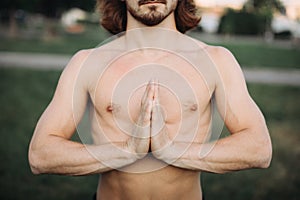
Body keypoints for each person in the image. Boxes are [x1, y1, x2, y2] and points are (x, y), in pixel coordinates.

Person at [28, 0, 272, 199]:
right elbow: (41, 154)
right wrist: (127, 151)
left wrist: (172, 151)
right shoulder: (87, 63)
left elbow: (258, 148)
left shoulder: (217, 60)